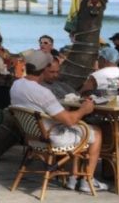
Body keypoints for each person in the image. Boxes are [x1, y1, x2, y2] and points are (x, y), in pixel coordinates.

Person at [10, 50, 106, 193]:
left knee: (80, 128)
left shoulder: (16, 85)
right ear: (44, 69)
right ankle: (87, 180)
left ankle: (74, 178)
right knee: (96, 132)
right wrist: (84, 110)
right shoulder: (42, 93)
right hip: (52, 138)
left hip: (32, 137)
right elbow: (69, 120)